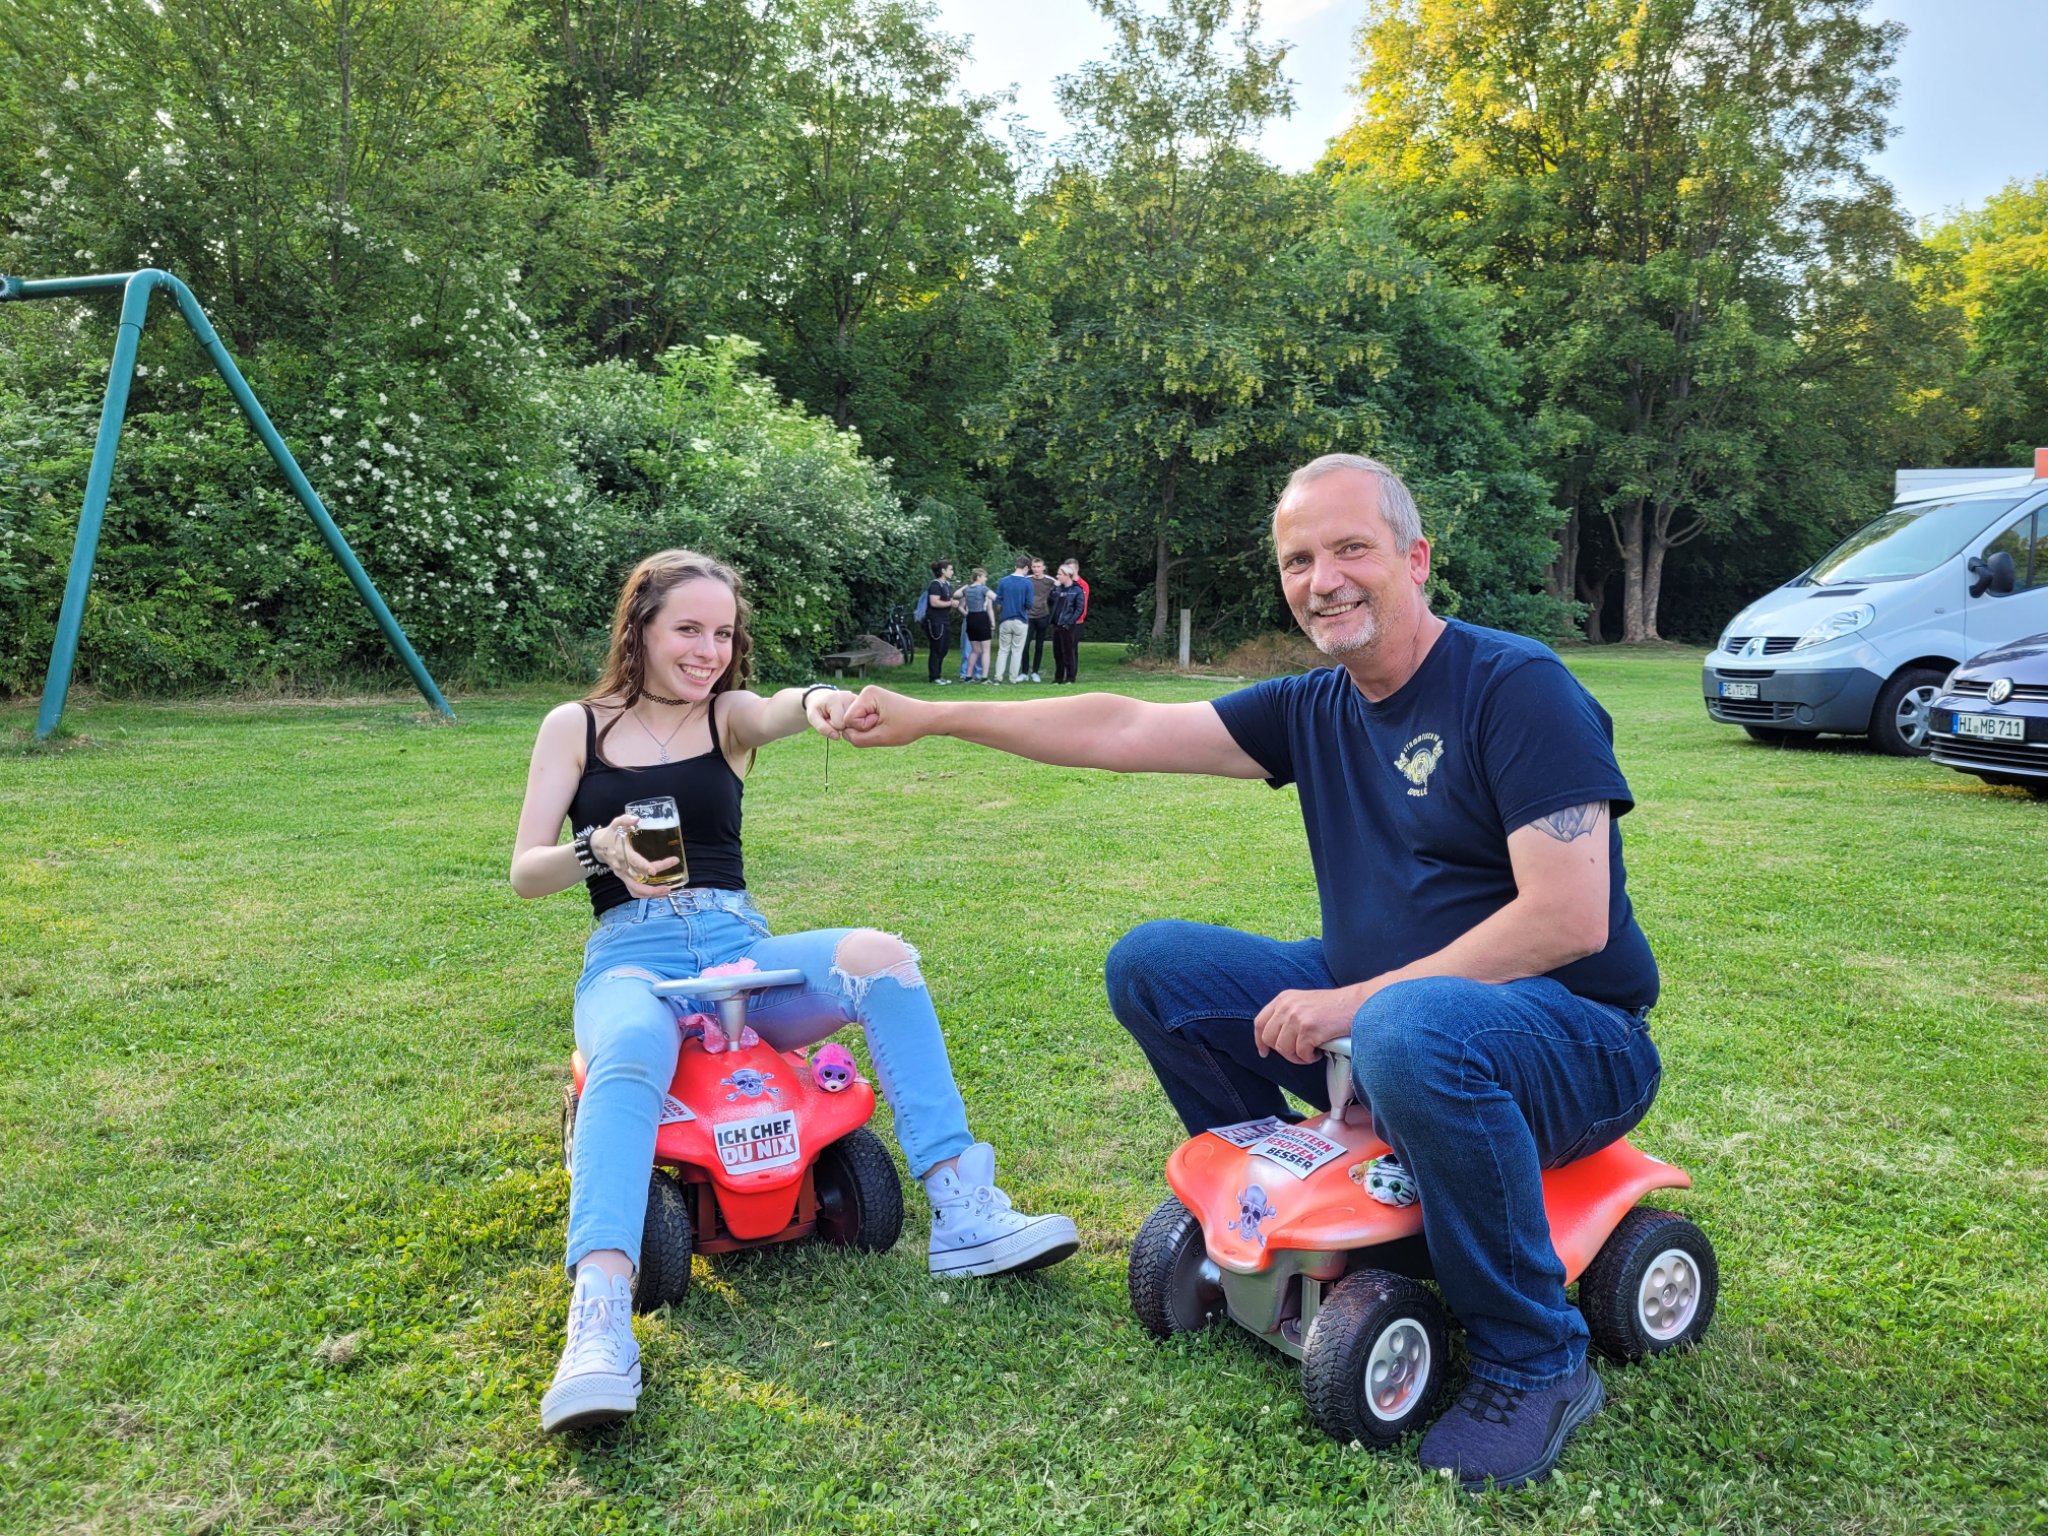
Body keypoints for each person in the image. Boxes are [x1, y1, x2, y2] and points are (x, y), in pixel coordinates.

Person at [821, 455, 1663, 1491]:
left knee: (1405, 1027)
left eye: (1350, 549)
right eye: (1298, 560)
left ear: (1415, 558)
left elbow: (1568, 918)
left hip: (1572, 1038)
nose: (1323, 580)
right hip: (1391, 1025)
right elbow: (1125, 726)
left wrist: (1355, 1002)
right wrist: (936, 715)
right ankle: (1292, 1223)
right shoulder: (1317, 706)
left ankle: (1534, 1358)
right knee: (1157, 968)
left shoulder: (1513, 685)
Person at [510, 549, 1077, 1436]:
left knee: (883, 959)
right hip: (633, 958)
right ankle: (601, 1318)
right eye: (687, 629)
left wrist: (819, 704)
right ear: (640, 628)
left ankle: (963, 1208)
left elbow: (779, 706)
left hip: (739, 951)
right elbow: (525, 872)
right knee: (627, 1050)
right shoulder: (573, 727)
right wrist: (599, 850)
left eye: (722, 633)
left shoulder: (726, 715)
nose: (707, 650)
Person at [994, 557, 1035, 684]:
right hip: (1021, 620)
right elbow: (1029, 604)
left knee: (1003, 650)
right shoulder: (1028, 583)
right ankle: (1013, 678)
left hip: (1005, 619)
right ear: (1026, 568)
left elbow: (998, 602)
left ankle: (998, 677)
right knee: (1017, 651)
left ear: (1015, 566)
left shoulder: (1003, 581)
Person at [1048, 562, 1084, 685]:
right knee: (1057, 653)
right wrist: (1053, 588)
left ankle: (1070, 677)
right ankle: (1058, 678)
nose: (1057, 576)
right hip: (1057, 624)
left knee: (1068, 653)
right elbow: (1050, 601)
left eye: (1060, 574)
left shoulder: (1077, 590)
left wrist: (1070, 621)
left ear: (1067, 575)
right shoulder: (1058, 589)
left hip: (1067, 625)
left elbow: (1079, 608)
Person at [924, 560, 958, 685]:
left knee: (943, 649)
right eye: (950, 569)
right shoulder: (935, 585)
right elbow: (934, 602)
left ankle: (938, 675)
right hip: (935, 621)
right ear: (943, 571)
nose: (952, 572)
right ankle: (934, 676)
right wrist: (950, 603)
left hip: (944, 620)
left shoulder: (947, 585)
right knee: (936, 649)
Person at [959, 567, 994, 682]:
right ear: (978, 577)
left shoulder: (967, 589)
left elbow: (955, 595)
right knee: (986, 650)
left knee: (975, 650)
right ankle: (984, 677)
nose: (986, 579)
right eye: (984, 577)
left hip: (970, 618)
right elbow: (995, 597)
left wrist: (964, 587)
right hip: (981, 618)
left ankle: (968, 676)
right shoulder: (983, 589)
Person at [1025, 557, 1056, 682]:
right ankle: (1024, 672)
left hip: (1043, 616)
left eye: (1038, 567)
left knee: (1039, 646)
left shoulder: (1050, 581)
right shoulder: (1027, 580)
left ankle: (1035, 672)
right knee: (1025, 645)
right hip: (1028, 616)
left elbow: (1061, 586)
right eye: (1034, 567)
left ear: (1043, 568)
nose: (1036, 569)